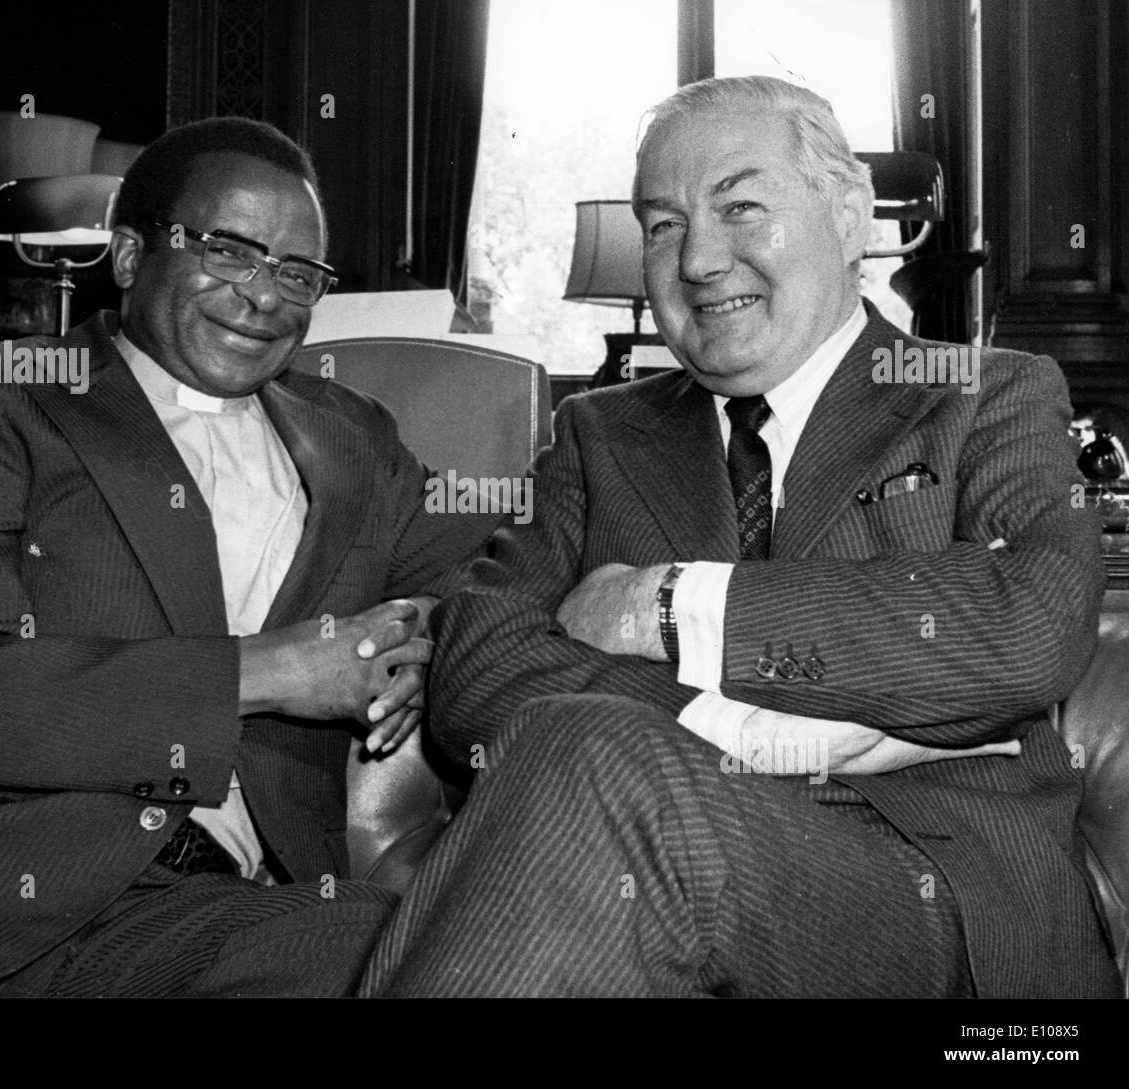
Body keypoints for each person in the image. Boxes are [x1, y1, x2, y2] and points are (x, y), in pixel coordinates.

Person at [359, 76, 1122, 998]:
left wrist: (669, 604)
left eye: (741, 208)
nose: (699, 262)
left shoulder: (983, 393)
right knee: (584, 762)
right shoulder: (599, 433)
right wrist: (759, 733)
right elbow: (479, 663)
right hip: (637, 867)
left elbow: (1023, 624)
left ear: (846, 217)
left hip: (938, 901)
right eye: (663, 225)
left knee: (590, 758)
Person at [0, 117, 498, 997]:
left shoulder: (356, 440)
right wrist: (262, 673)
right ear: (133, 256)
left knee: (418, 951)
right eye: (229, 251)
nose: (265, 296)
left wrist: (427, 635)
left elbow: (496, 568)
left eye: (298, 273)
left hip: (216, 919)